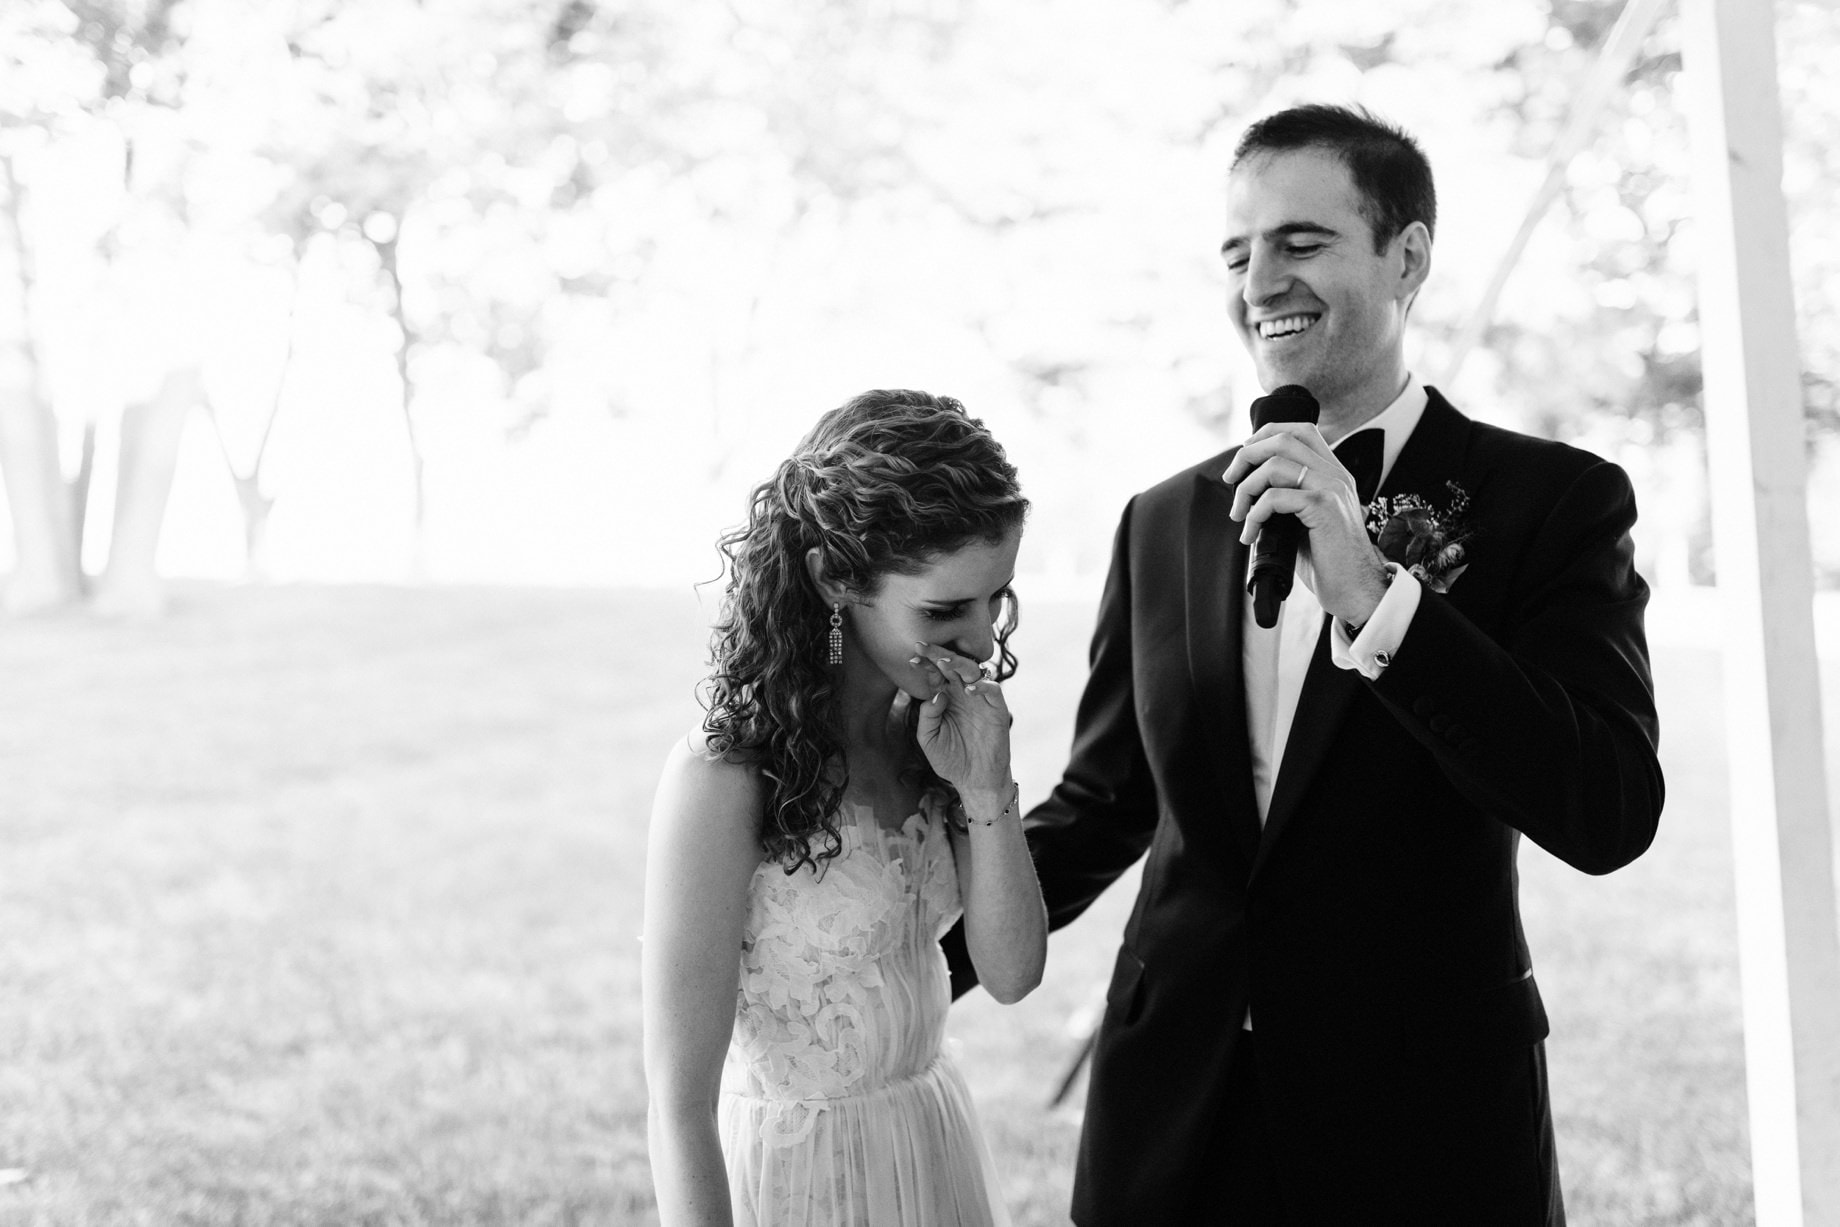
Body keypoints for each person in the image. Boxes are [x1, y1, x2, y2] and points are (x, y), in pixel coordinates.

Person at [947, 104, 1664, 1224]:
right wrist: (892, 962)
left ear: (1408, 254)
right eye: (1236, 254)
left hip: (1422, 1115)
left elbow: (1606, 806)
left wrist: (1379, 602)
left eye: (1300, 243)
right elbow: (1103, 804)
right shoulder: (1162, 521)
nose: (1259, 282)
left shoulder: (1554, 503)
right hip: (1172, 1107)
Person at [643, 389, 1047, 1227]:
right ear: (835, 579)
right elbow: (677, 1105)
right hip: (804, 1184)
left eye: (994, 599)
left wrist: (983, 787)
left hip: (931, 1151)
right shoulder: (722, 781)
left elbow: (1012, 974)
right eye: (942, 610)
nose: (979, 641)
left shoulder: (932, 736)